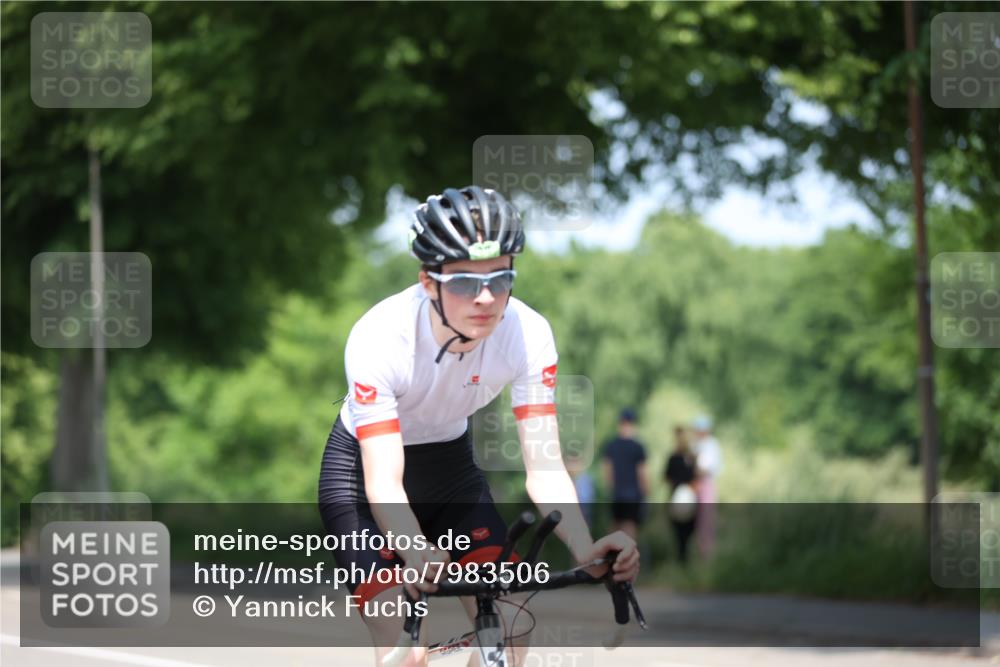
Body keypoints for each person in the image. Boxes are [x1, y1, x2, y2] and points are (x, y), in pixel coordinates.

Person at [317, 186, 639, 667]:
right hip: (363, 481)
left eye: (501, 279)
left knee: (509, 630)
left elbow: (545, 467)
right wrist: (410, 545)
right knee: (408, 654)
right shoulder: (380, 337)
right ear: (429, 281)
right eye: (466, 282)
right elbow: (383, 479)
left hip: (451, 472)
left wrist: (584, 544)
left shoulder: (528, 335)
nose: (486, 298)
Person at [600, 408, 649, 540]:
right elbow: (642, 473)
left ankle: (612, 559)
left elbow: (607, 472)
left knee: (614, 527)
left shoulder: (611, 445)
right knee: (629, 528)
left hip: (617, 494)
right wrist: (646, 492)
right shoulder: (638, 447)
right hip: (632, 495)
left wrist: (611, 489)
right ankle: (628, 559)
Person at [664, 426, 698, 565]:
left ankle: (684, 559)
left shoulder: (691, 458)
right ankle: (682, 560)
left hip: (687, 498)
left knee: (686, 531)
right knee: (680, 533)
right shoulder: (674, 458)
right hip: (676, 498)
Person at [691, 414, 722, 559]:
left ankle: (707, 556)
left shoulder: (711, 445)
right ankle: (698, 555)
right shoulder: (695, 444)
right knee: (695, 522)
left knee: (707, 522)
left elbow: (711, 468)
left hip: (706, 484)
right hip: (694, 485)